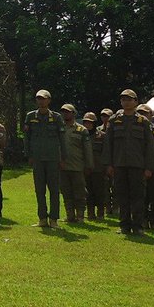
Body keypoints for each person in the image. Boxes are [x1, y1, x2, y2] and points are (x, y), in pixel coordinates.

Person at [102, 89, 154, 236]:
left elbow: (149, 147)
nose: (126, 102)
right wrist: (108, 164)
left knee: (138, 196)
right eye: (123, 99)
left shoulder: (143, 122)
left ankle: (138, 226)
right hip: (119, 165)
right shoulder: (114, 120)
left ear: (135, 102)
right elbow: (108, 144)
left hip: (138, 166)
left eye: (129, 99)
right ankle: (124, 225)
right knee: (121, 196)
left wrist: (149, 167)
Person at [24, 89, 66, 228]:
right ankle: (42, 218)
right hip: (38, 158)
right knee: (39, 190)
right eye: (38, 99)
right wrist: (28, 155)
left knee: (54, 190)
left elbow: (62, 139)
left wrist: (63, 158)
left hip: (53, 158)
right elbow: (27, 138)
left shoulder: (57, 117)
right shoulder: (30, 117)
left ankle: (54, 219)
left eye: (44, 98)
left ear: (49, 100)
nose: (41, 101)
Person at [59, 104, 92, 223]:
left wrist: (89, 165)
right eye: (63, 112)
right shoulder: (59, 128)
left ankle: (80, 216)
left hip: (77, 166)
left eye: (68, 112)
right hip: (63, 166)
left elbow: (87, 149)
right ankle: (70, 215)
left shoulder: (81, 130)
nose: (65, 114)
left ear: (73, 113)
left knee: (80, 193)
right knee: (66, 192)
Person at [82, 112, 108, 220]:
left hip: (99, 168)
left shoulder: (102, 135)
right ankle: (90, 212)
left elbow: (106, 152)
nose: (88, 124)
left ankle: (101, 212)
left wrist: (106, 167)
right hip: (85, 168)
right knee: (88, 192)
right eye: (85, 122)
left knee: (100, 192)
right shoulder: (81, 135)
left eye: (90, 122)